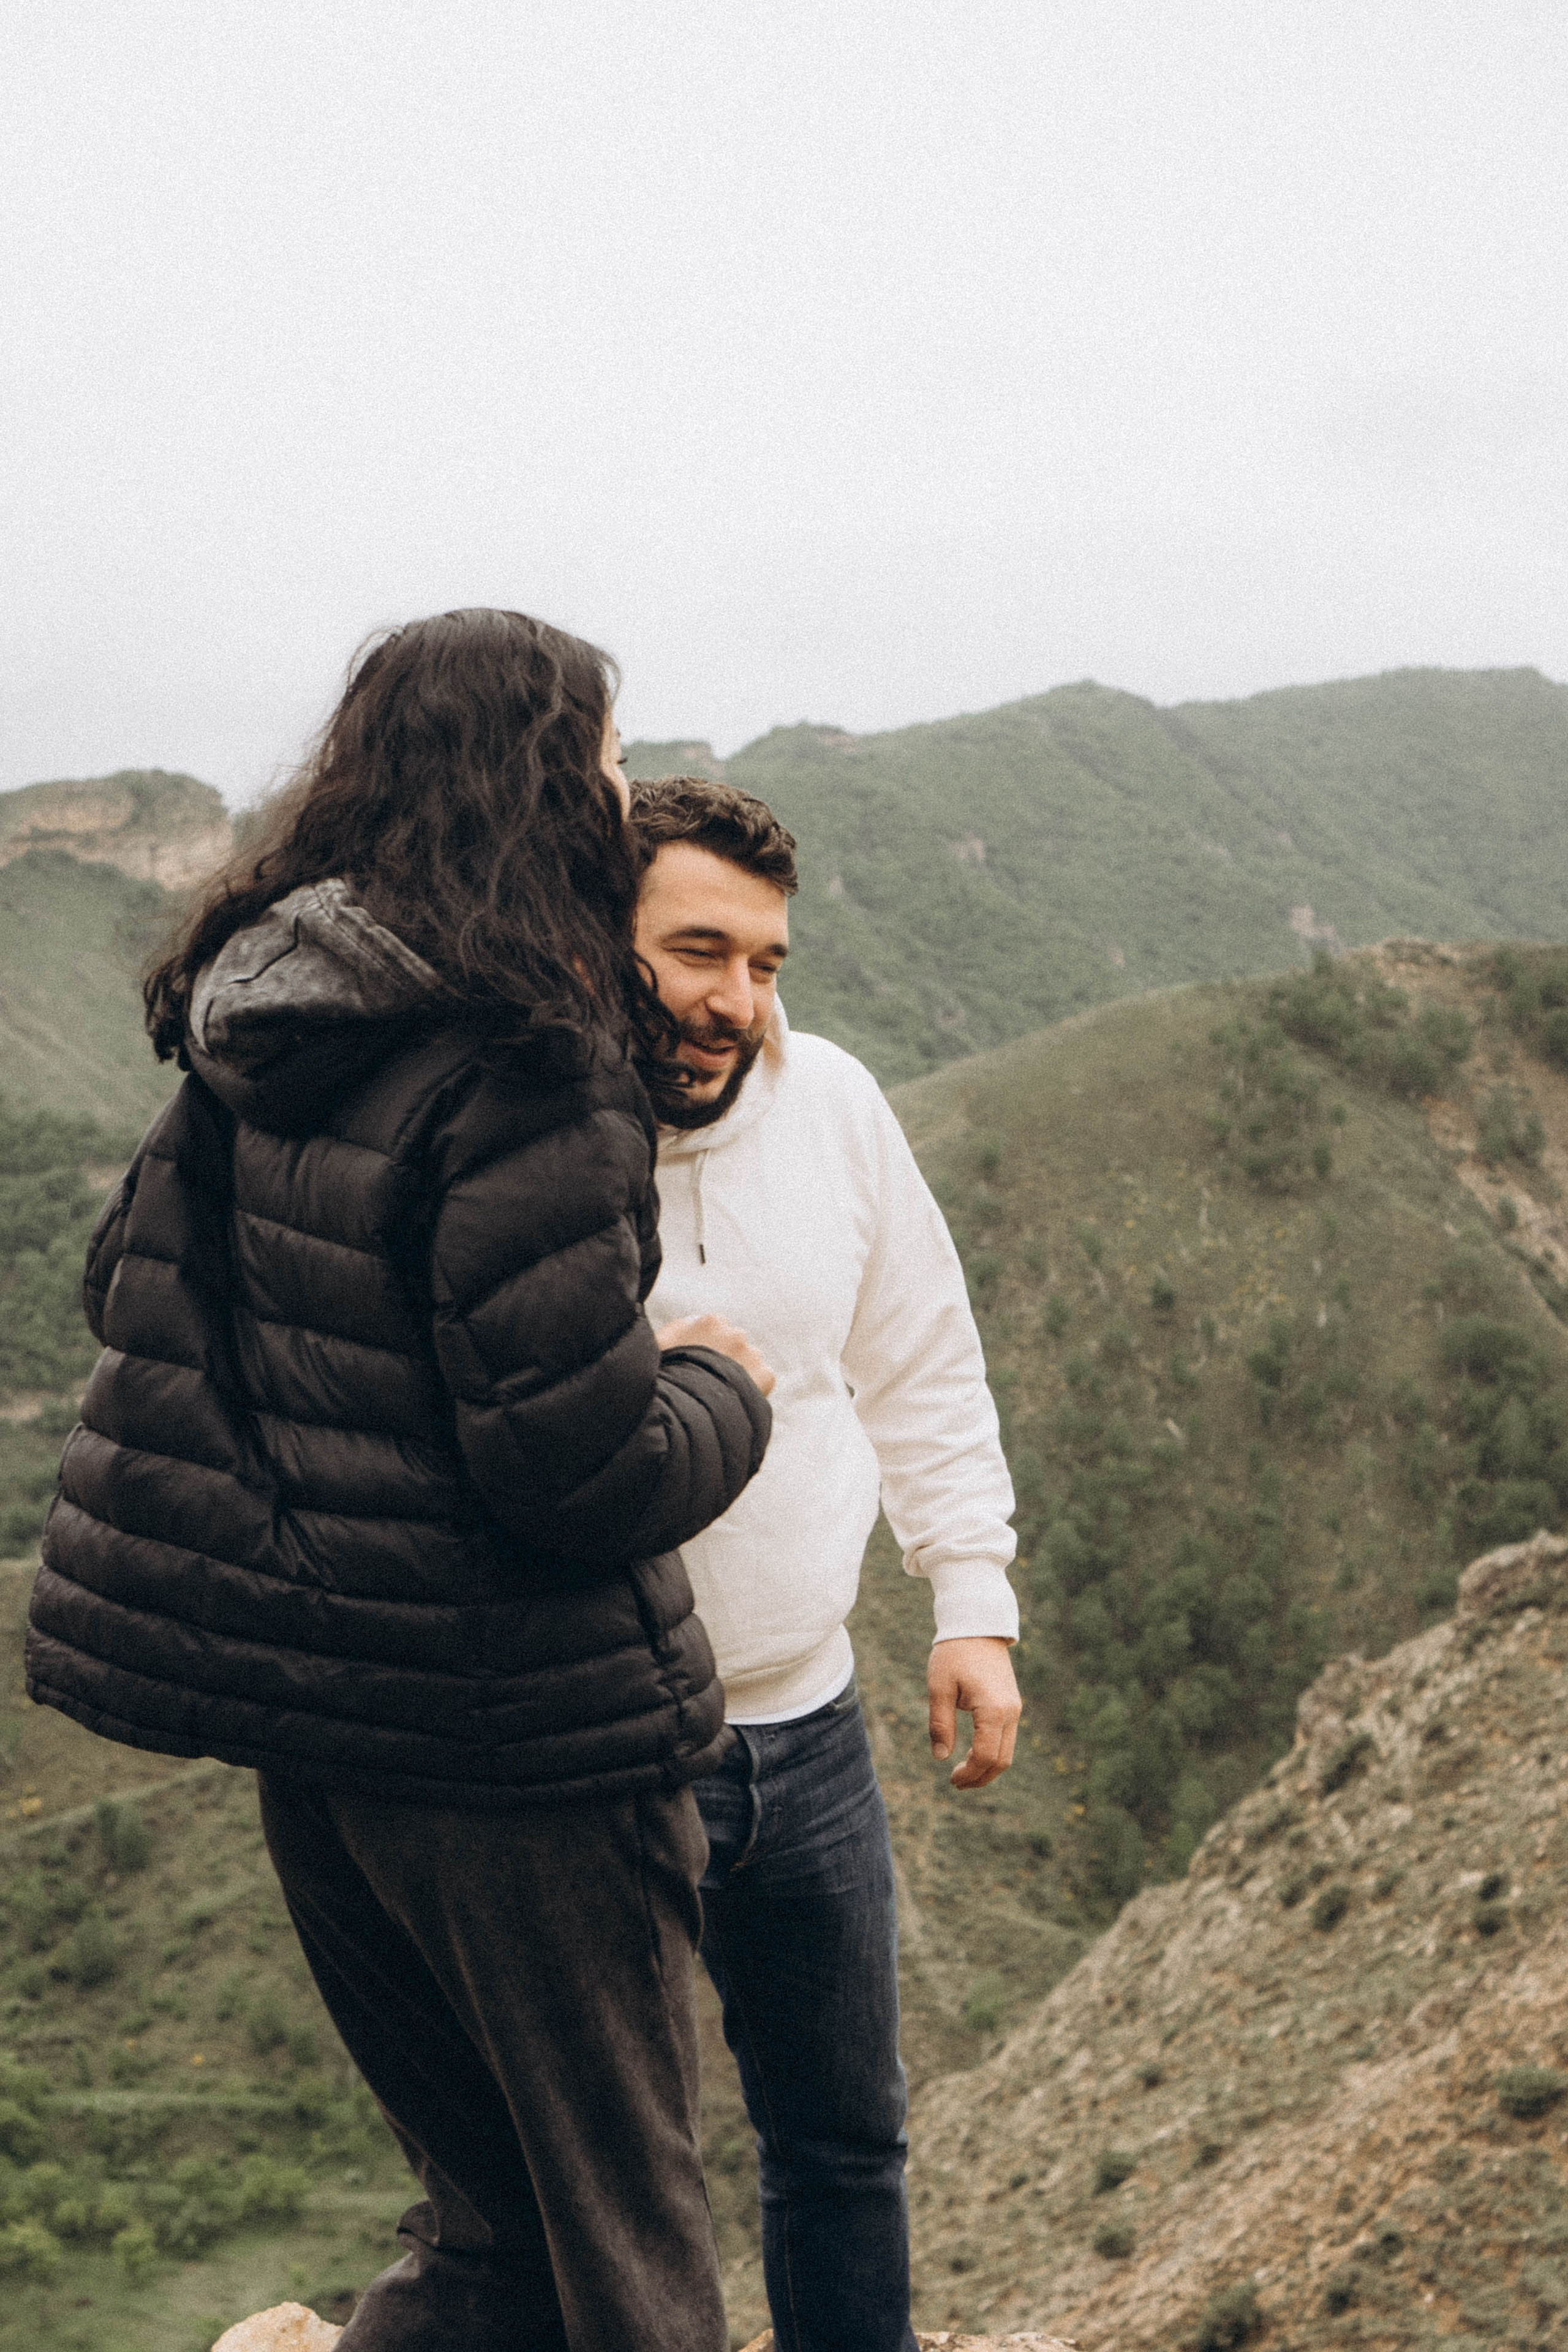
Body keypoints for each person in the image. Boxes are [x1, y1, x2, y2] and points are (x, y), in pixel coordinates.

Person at [26, 612, 775, 2352]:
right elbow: (577, 1471)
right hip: (517, 1752)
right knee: (627, 2256)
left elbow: (152, 1332)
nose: (615, 794)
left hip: (323, 1740)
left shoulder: (264, 1028)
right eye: (597, 762)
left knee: (493, 2235)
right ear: (533, 783)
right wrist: (722, 1394)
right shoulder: (526, 1063)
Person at [630, 775, 1023, 2352]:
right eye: (695, 950)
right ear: (605, 935)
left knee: (844, 2145)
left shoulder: (836, 1104)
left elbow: (919, 1356)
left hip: (808, 1732)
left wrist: (970, 1604)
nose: (733, 1000)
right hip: (603, 1749)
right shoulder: (531, 1134)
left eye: (765, 963)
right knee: (612, 2179)